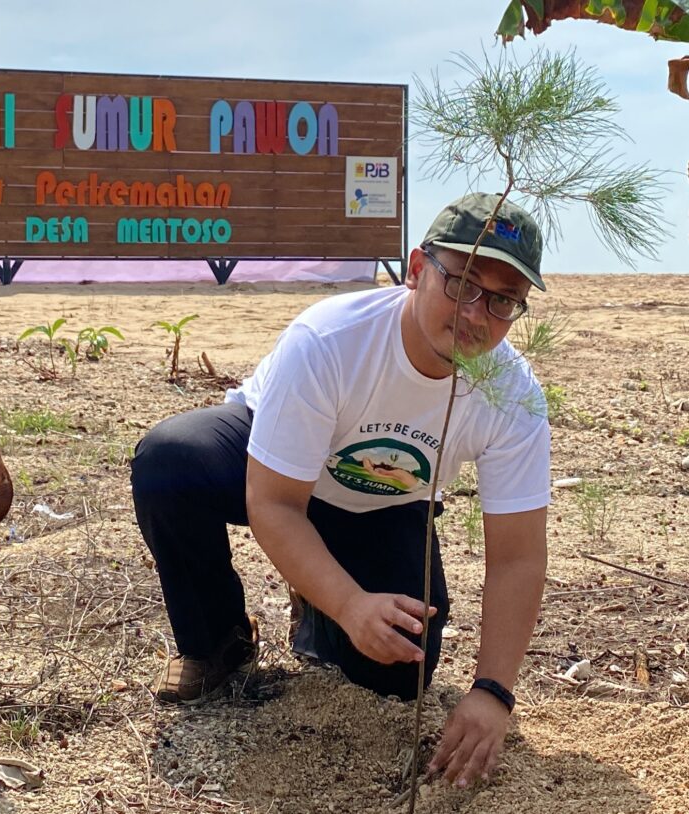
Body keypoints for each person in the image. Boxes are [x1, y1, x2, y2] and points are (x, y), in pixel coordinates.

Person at [130, 193, 550, 788]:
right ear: (416, 269)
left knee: (404, 668)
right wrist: (352, 604)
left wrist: (492, 691)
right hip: (275, 468)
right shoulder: (332, 340)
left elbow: (519, 556)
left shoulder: (512, 394)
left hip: (386, 499)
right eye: (462, 284)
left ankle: (315, 606)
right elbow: (273, 502)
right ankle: (216, 643)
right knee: (170, 461)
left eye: (505, 300)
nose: (477, 315)